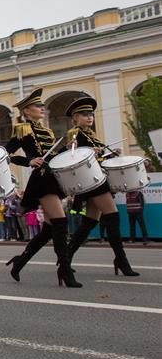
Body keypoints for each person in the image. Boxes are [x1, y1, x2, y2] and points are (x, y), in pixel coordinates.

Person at [1, 89, 80, 285]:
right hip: (42, 179)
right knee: (61, 222)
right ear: (27, 111)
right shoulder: (22, 129)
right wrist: (28, 161)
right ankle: (64, 270)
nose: (42, 108)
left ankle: (20, 262)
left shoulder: (47, 131)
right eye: (38, 106)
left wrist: (67, 148)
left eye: (42, 106)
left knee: (49, 229)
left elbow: (51, 155)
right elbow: (4, 154)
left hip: (53, 177)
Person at [64, 96, 138, 275]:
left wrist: (111, 154)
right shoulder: (74, 133)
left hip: (98, 179)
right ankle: (121, 260)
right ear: (75, 118)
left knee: (89, 222)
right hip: (92, 181)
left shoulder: (91, 135)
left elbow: (99, 158)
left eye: (91, 114)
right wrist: (87, 150)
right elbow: (72, 154)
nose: (89, 117)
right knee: (112, 216)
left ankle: (65, 257)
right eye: (84, 114)